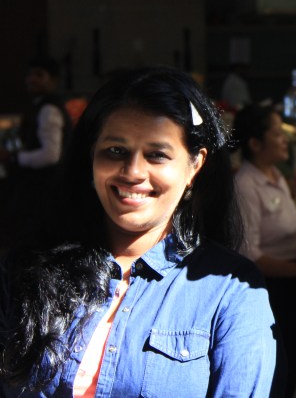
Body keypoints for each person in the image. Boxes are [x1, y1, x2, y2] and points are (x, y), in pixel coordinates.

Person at [0, 67, 277, 397]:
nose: (132, 172)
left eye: (157, 155)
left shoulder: (230, 290)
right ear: (91, 157)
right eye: (116, 150)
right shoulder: (25, 271)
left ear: (195, 166)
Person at [233, 103, 296, 397]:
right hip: (270, 289)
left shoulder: (275, 175)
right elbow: (250, 256)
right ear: (255, 144)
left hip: (290, 283)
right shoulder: (246, 185)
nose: (285, 140)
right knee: (279, 368)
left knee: (295, 364)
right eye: (276, 133)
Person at [0, 57, 72, 248]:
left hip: (45, 187)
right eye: (30, 74)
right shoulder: (42, 106)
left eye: (39, 75)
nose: (32, 79)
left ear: (54, 80)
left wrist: (14, 157)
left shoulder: (48, 109)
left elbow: (50, 155)